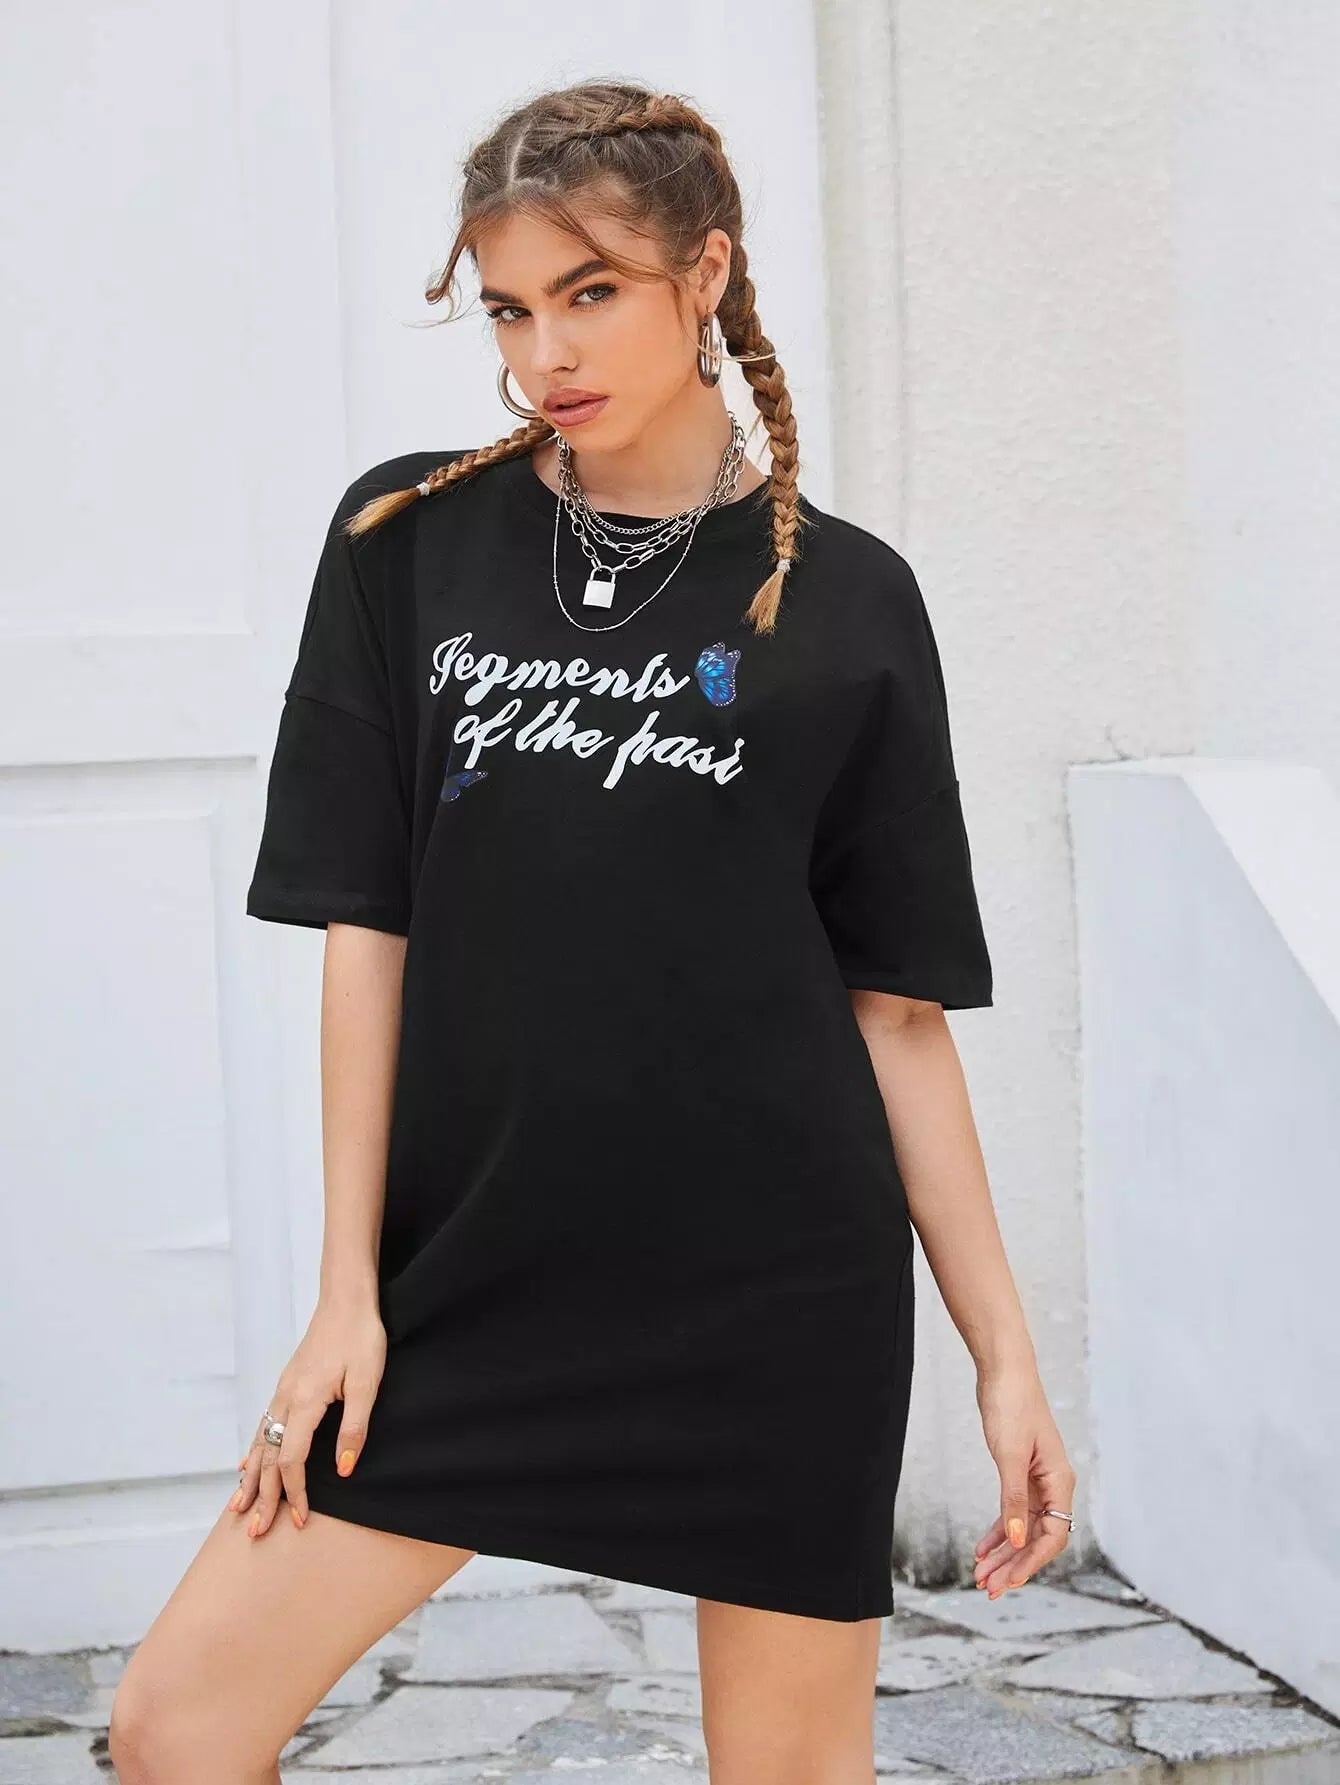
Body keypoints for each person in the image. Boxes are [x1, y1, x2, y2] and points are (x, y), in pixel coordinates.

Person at [110, 78, 1076, 1785]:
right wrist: (347, 1291)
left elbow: (897, 1012)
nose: (544, 351)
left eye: (590, 292)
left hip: (771, 1293)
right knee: (180, 1724)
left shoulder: (849, 603)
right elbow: (366, 925)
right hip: (477, 1272)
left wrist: (1005, 1357)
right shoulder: (407, 541)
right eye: (507, 307)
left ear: (706, 275)